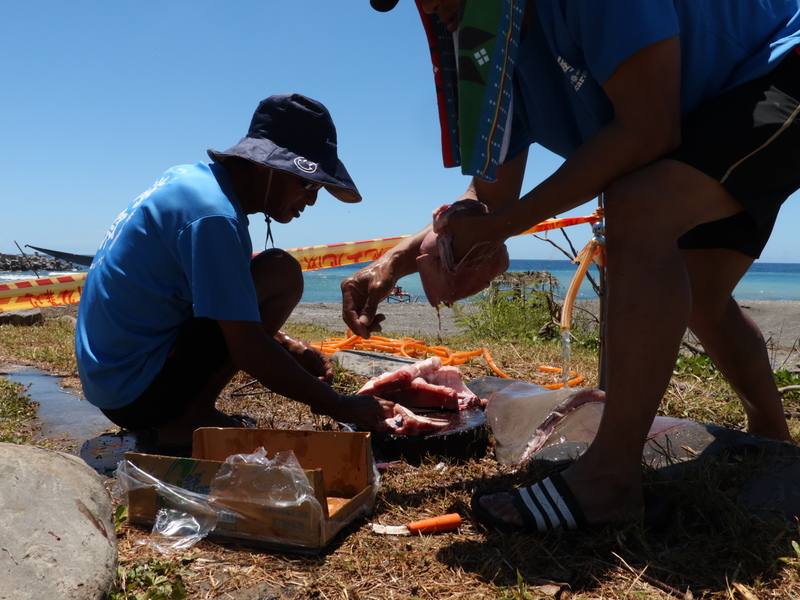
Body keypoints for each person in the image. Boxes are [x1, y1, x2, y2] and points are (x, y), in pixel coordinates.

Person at [351, 1, 800, 531]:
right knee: (699, 293)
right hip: (702, 117)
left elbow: (648, 128)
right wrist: (396, 262)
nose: (428, 6)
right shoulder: (489, 47)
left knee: (640, 204)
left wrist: (502, 227)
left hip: (773, 69)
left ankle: (610, 480)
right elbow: (490, 193)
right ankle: (773, 445)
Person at [76, 93, 394, 450]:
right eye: (308, 184)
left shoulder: (192, 181)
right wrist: (338, 404)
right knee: (280, 273)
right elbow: (247, 348)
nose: (312, 199)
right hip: (134, 393)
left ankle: (185, 412)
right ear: (267, 167)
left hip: (111, 378)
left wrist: (289, 347)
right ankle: (184, 421)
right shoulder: (215, 218)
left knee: (272, 273)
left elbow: (217, 302)